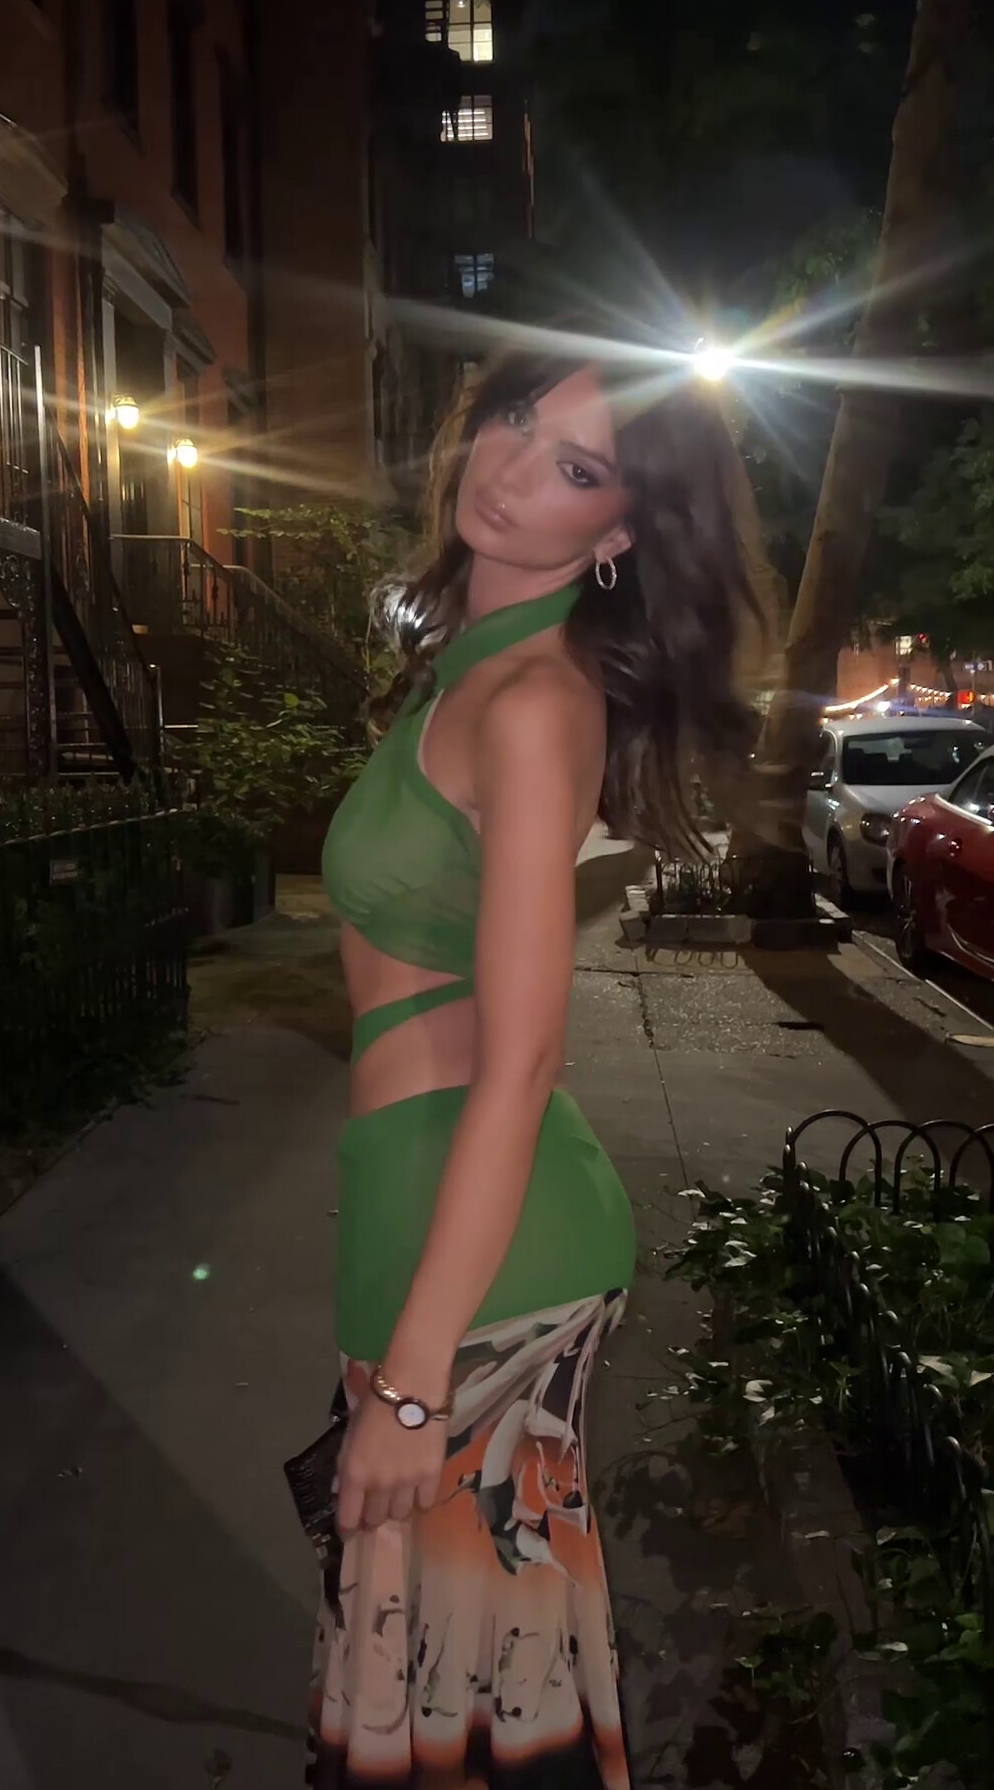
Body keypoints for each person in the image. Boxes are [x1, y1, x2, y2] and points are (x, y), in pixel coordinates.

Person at [310, 334, 766, 1788]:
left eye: (576, 467)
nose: (511, 472)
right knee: (441, 1688)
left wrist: (410, 1388)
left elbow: (524, 1061)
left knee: (473, 1716)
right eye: (514, 421)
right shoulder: (466, 673)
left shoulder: (534, 705)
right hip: (425, 1209)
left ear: (620, 529)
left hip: (487, 1263)